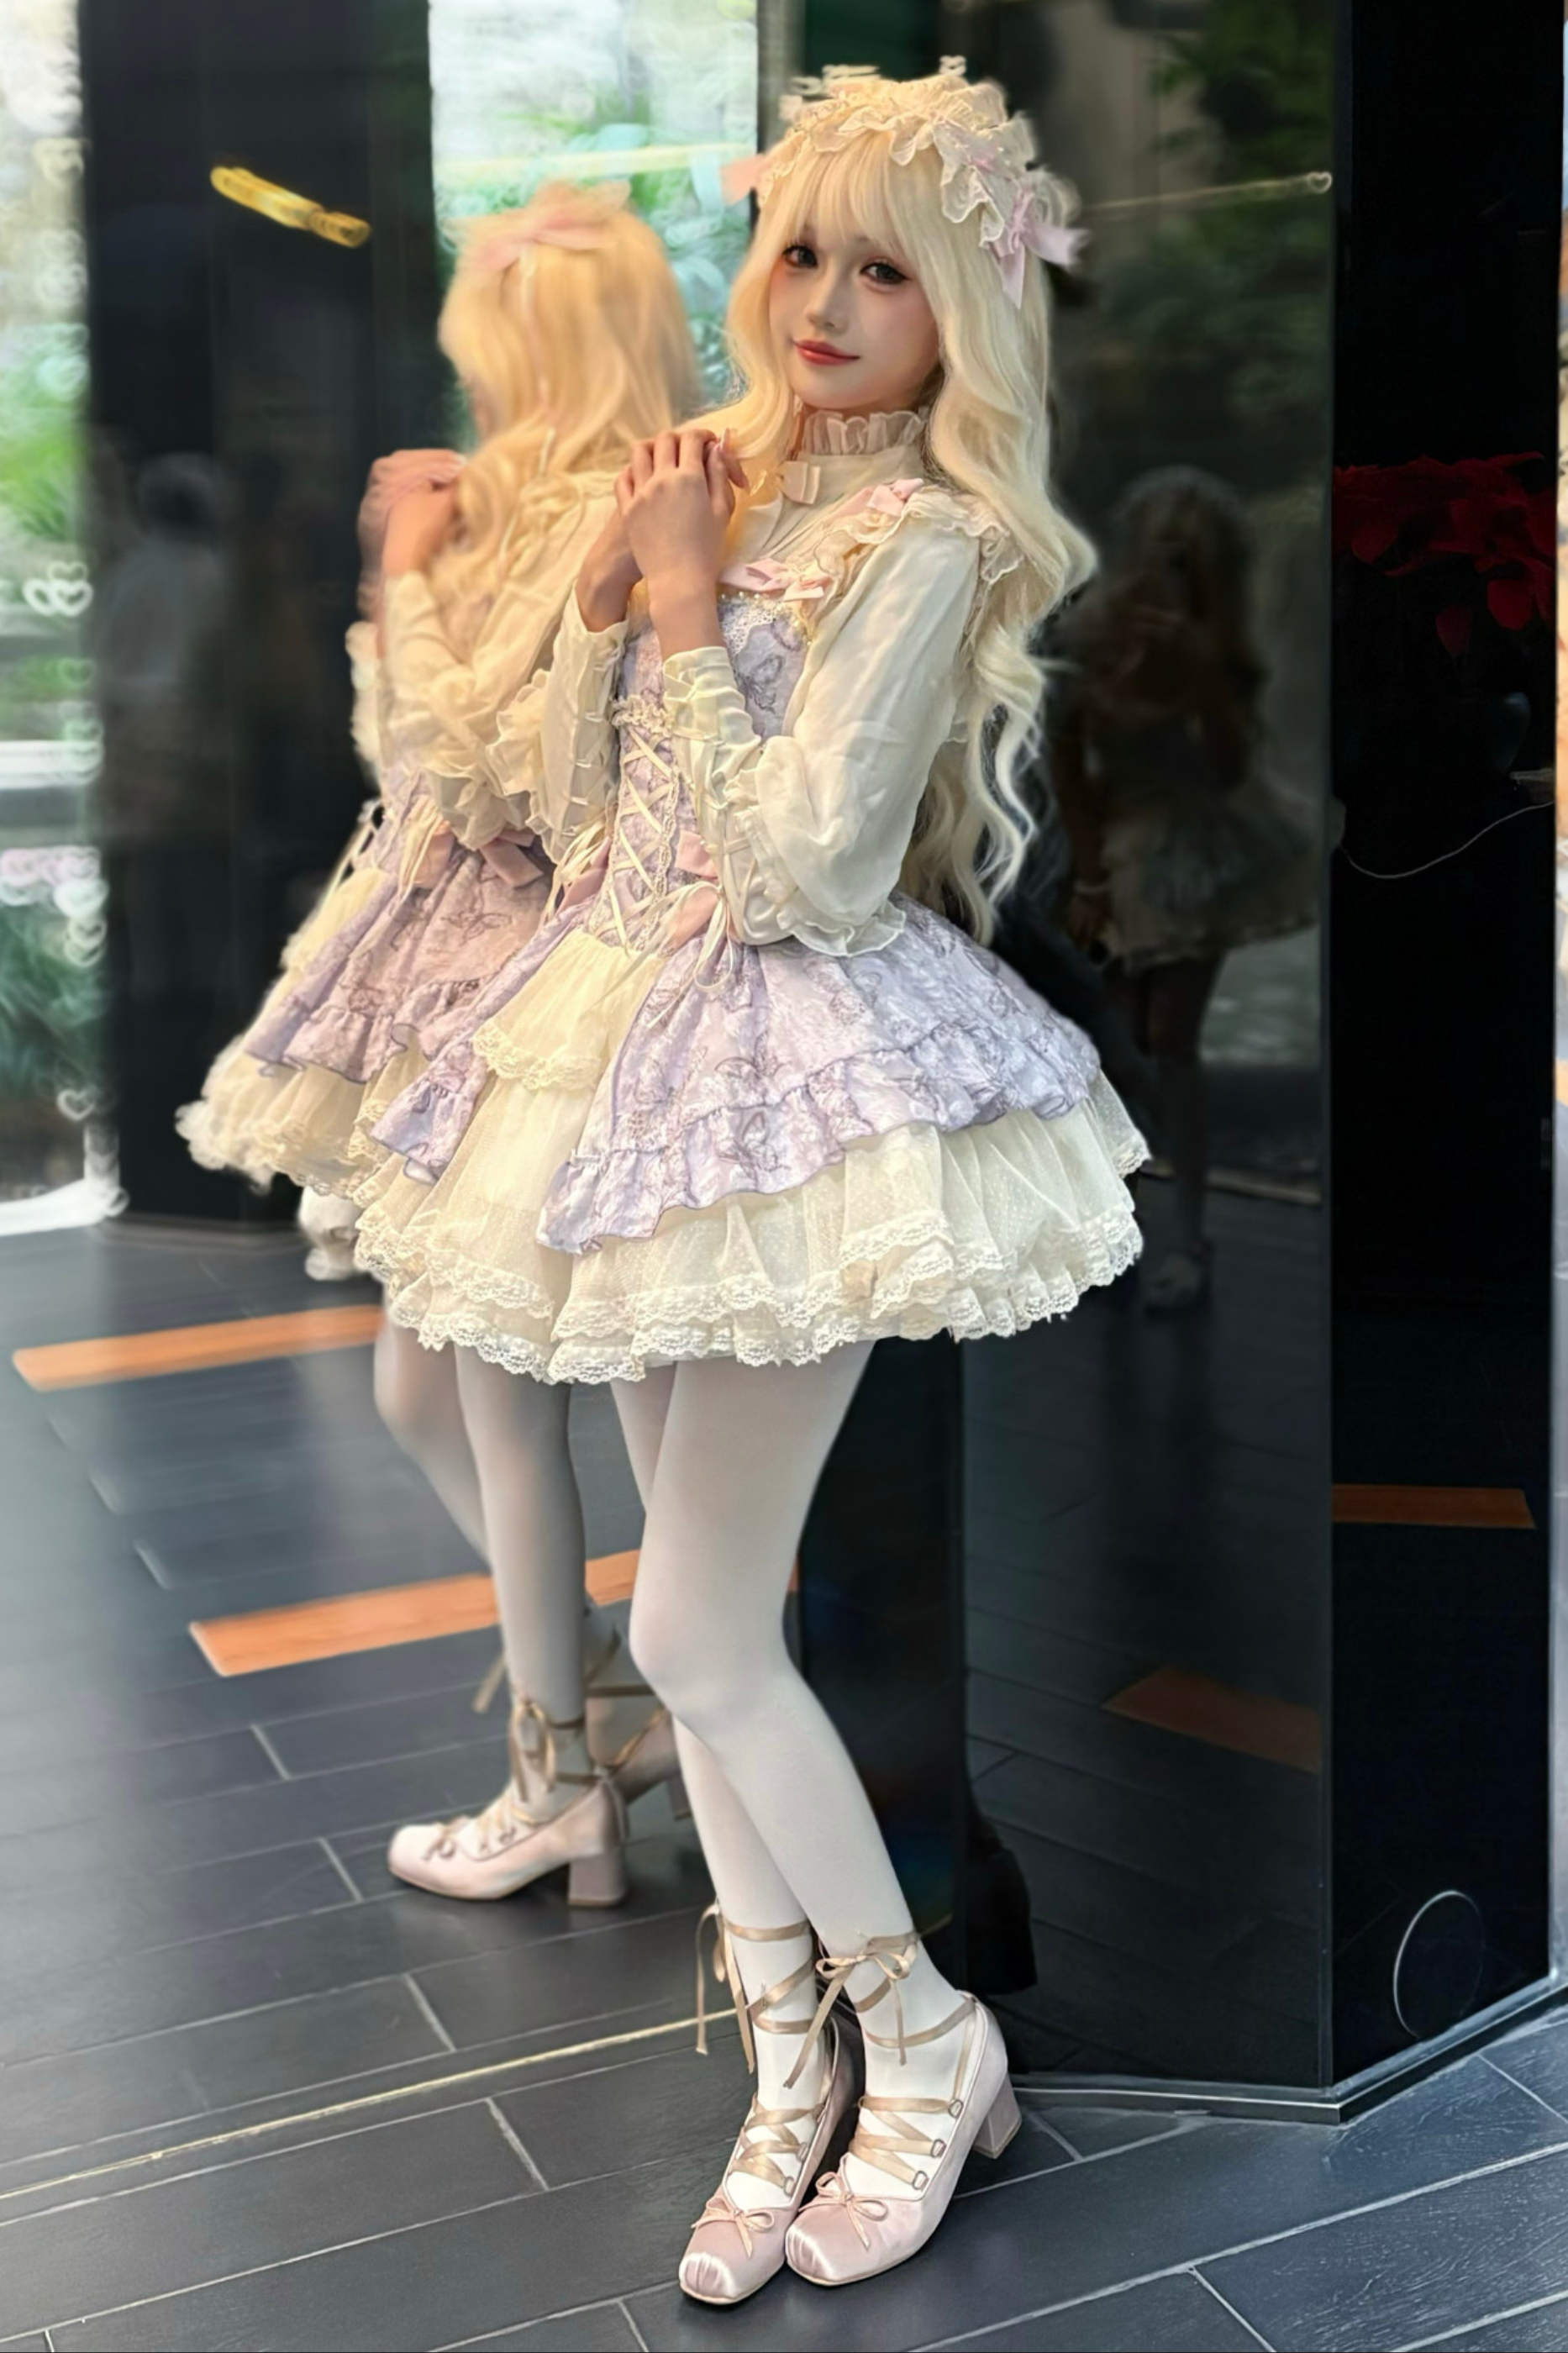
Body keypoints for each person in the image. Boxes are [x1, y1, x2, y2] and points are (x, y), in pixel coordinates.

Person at [351, 60, 1144, 2301]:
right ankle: (790, 2069)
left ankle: (924, 2042)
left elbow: (804, 870)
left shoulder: (929, 536)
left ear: (960, 307)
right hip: (619, 1068)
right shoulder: (715, 478)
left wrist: (690, 607)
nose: (823, 300)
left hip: (801, 1081)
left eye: (885, 268)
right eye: (801, 248)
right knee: (703, 1649)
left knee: (690, 1625)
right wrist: (612, 600)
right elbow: (559, 813)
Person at [178, 186, 702, 1890]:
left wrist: (401, 580)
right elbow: (399, 757)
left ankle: (563, 1775)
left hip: (532, 979)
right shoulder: (514, 502)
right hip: (458, 970)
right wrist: (401, 579)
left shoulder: (622, 509)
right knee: (428, 1382)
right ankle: (609, 1703)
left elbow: (475, 777)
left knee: (494, 1395)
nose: (471, 373)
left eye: (492, 340)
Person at [1055, 467, 1317, 1310]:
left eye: (1187, 564)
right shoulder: (1094, 631)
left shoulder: (1217, 648)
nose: (1167, 578)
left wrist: (1198, 675)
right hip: (1111, 842)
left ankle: (1188, 1236)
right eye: (1159, 558)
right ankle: (1120, 1225)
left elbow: (1230, 768)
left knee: (1171, 1038)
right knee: (1118, 1039)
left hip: (1195, 843)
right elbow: (1067, 763)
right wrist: (1089, 873)